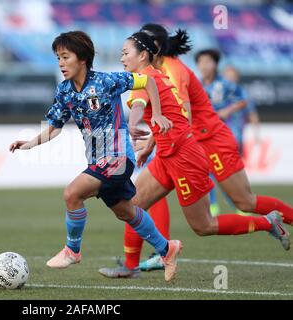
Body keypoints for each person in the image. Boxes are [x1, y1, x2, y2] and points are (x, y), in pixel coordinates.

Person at [104, 25, 292, 275]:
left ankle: (268, 222)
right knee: (134, 204)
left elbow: (182, 115)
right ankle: (131, 266)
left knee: (228, 211)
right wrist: (153, 143)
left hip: (204, 142)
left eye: (128, 50)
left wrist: (148, 132)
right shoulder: (152, 74)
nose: (123, 56)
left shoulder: (171, 71)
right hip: (175, 147)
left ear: (150, 50)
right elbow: (168, 114)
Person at [9, 30, 181, 282]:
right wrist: (30, 144)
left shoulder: (106, 81)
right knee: (126, 212)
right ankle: (168, 249)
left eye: (65, 57)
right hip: (98, 161)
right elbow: (55, 126)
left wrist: (155, 113)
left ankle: (72, 251)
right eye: (58, 58)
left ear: (82, 58)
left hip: (119, 157)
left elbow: (148, 82)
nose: (60, 63)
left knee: (72, 193)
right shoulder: (64, 91)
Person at [196, 50, 248, 215]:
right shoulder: (195, 84)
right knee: (205, 171)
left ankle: (239, 205)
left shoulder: (224, 84)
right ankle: (212, 206)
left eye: (208, 62)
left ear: (215, 64)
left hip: (220, 134)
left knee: (224, 173)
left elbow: (242, 99)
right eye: (201, 62)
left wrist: (227, 110)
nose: (204, 66)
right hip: (202, 135)